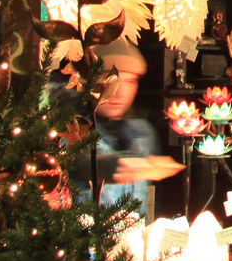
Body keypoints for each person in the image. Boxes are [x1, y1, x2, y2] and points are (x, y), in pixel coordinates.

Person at [66, 38, 171, 213]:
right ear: (89, 81)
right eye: (111, 79)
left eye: (130, 82)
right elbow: (80, 163)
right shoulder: (71, 127)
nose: (120, 91)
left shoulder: (143, 133)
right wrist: (118, 166)